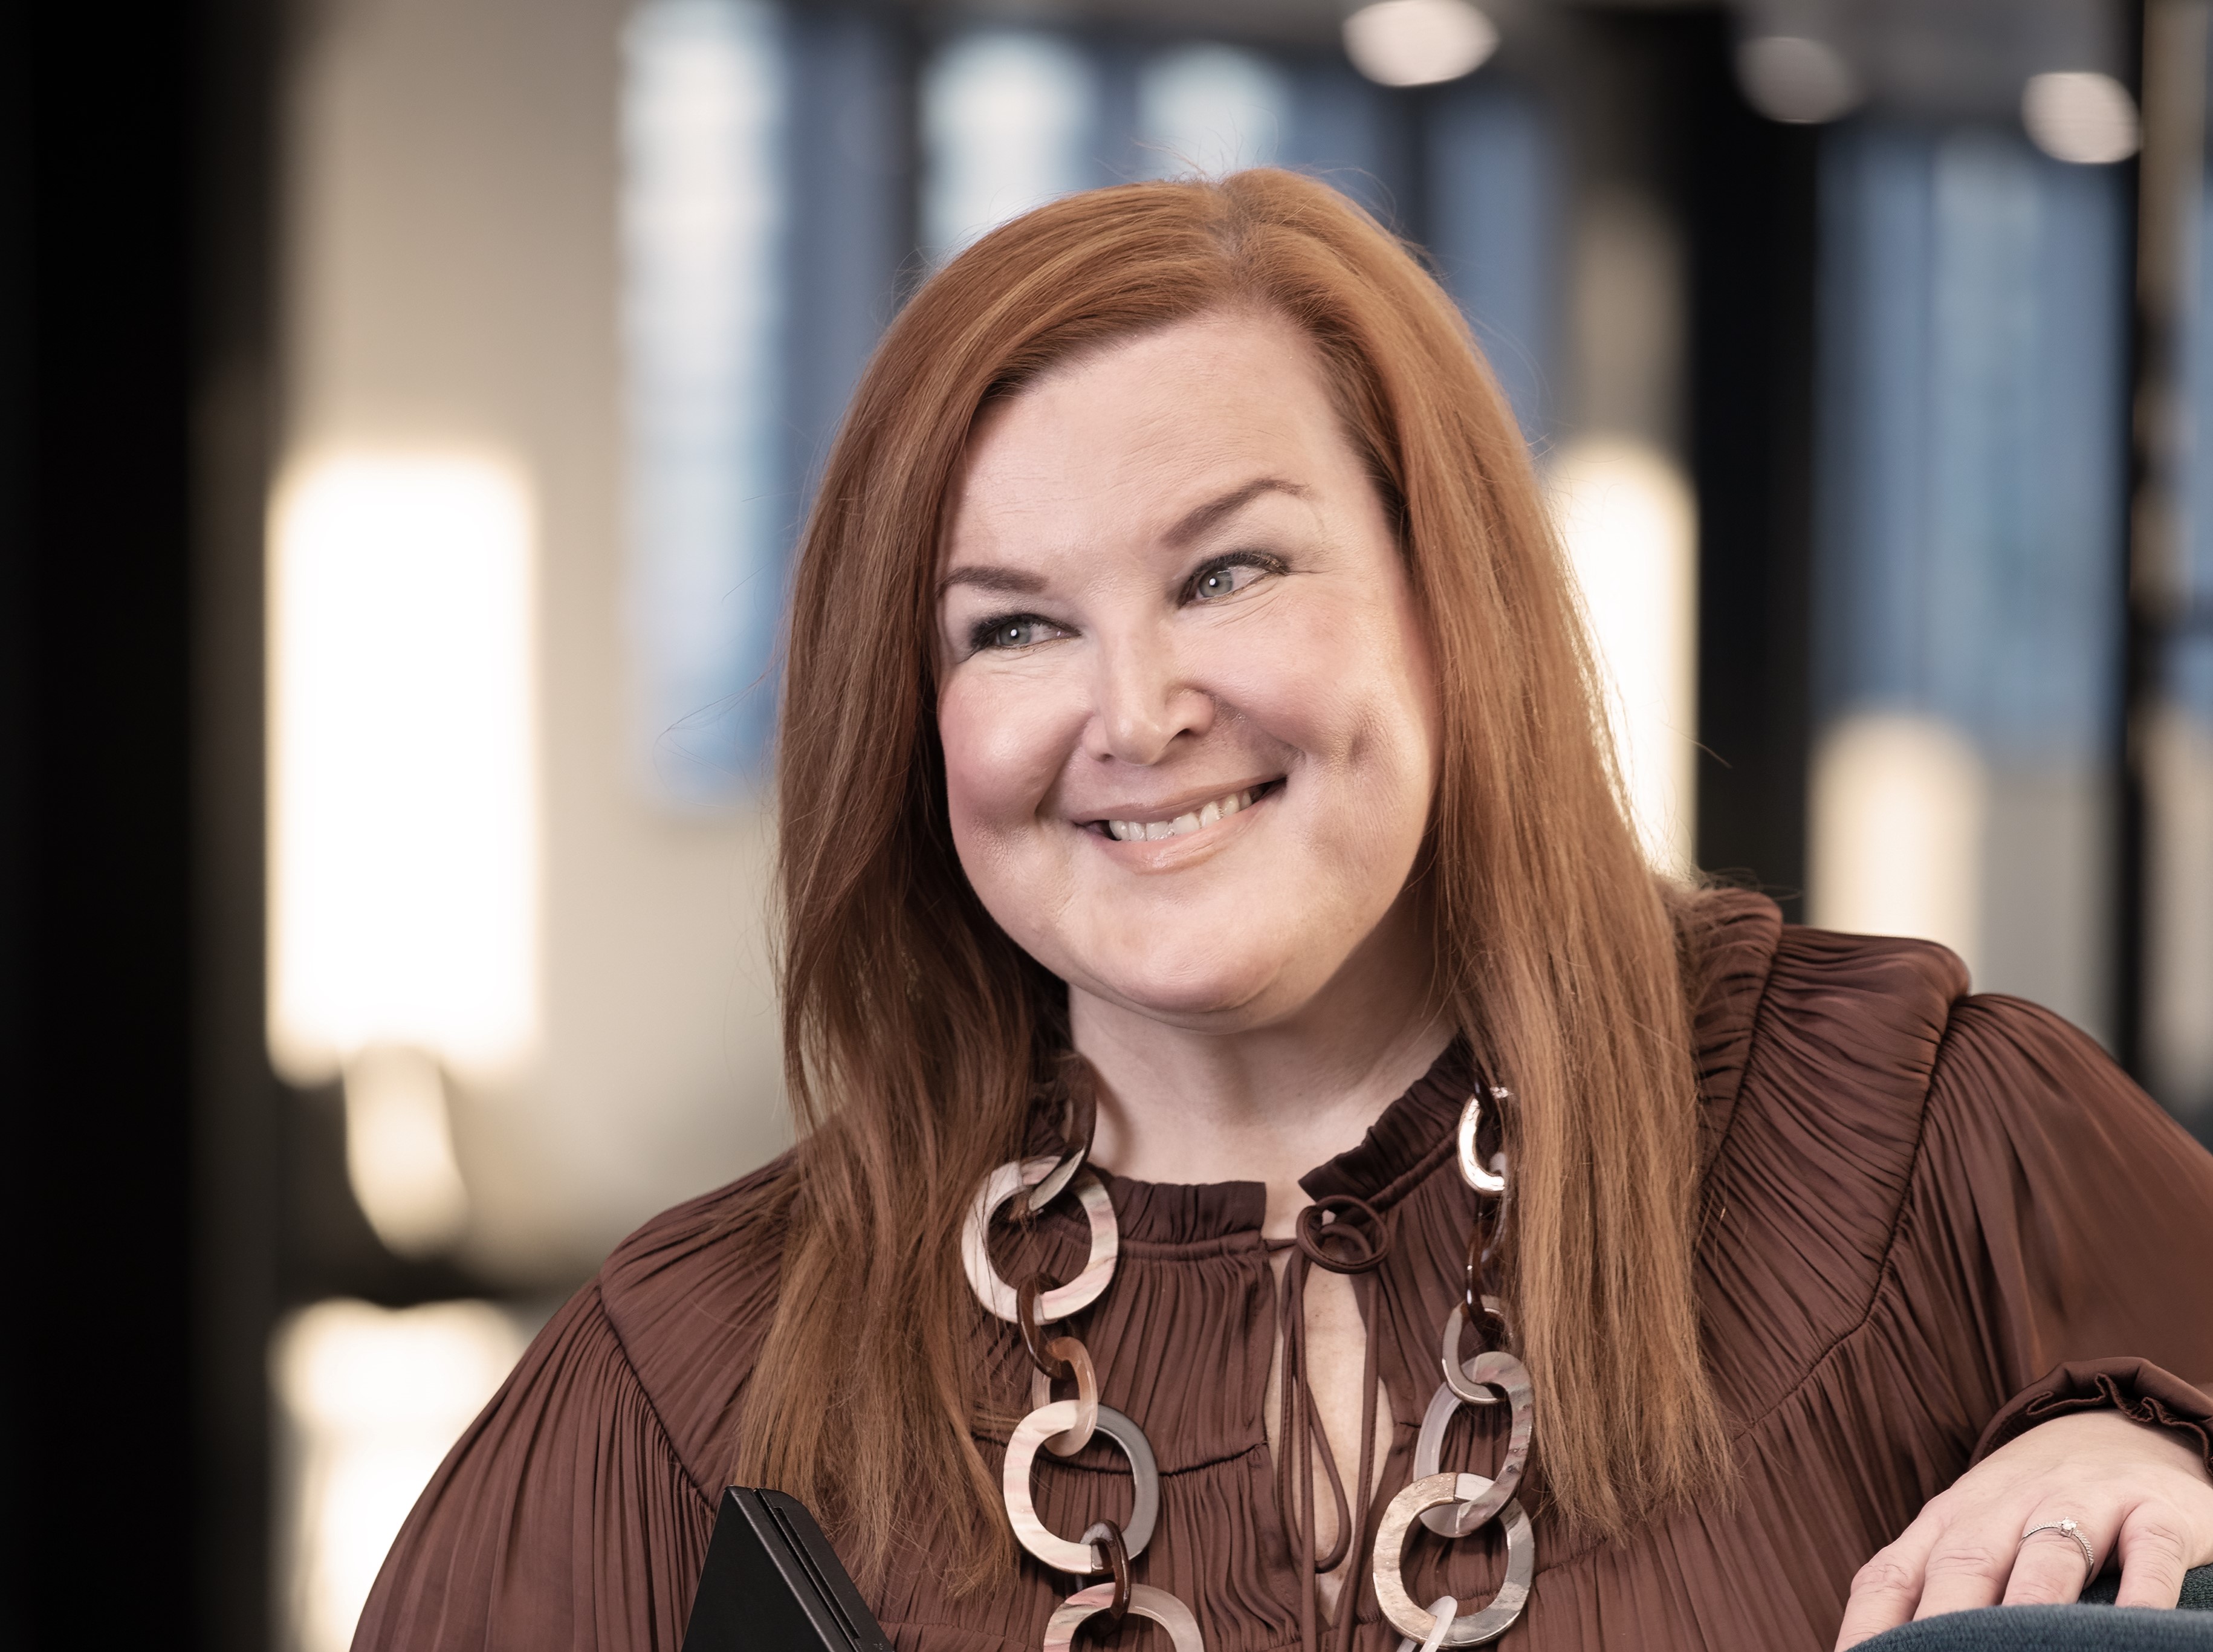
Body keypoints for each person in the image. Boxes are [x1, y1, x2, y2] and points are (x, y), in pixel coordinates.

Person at [353, 170, 2213, 1652]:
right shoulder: (682, 1391)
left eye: (1228, 571)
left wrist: (2161, 1457)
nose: (1136, 712)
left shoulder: (1920, 1147)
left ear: (1446, 596)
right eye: (1014, 625)